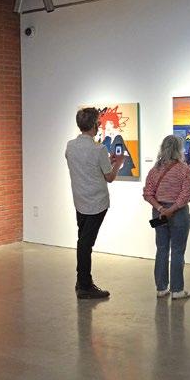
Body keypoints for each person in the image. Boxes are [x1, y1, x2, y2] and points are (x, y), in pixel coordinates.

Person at [65, 107, 125, 299]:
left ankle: (82, 281)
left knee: (83, 241)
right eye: (98, 122)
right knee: (85, 244)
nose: (100, 124)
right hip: (96, 203)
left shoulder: (70, 146)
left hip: (80, 201)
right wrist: (117, 163)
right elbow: (109, 177)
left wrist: (107, 161)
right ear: (94, 125)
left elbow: (86, 167)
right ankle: (85, 285)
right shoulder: (99, 149)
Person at [143, 135, 190, 299]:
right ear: (179, 149)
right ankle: (177, 290)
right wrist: (171, 209)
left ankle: (161, 288)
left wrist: (160, 209)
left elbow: (147, 194)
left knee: (161, 249)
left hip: (158, 213)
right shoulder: (184, 169)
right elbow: (186, 195)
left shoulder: (154, 170)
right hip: (178, 213)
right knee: (178, 251)